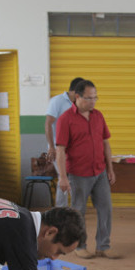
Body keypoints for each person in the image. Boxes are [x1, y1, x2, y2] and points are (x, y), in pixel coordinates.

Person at [55, 79, 120, 259]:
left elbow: (105, 143)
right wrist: (63, 177)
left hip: (99, 172)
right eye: (89, 98)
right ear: (77, 97)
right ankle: (80, 245)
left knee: (106, 208)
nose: (93, 101)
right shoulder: (65, 119)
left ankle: (103, 246)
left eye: (95, 98)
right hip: (78, 173)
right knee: (78, 212)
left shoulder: (98, 116)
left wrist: (110, 168)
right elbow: (60, 150)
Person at [45, 77, 83, 207]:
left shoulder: (78, 103)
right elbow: (48, 124)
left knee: (71, 179)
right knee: (64, 177)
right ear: (74, 91)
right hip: (58, 148)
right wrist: (51, 147)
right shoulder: (57, 101)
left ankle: (70, 210)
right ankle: (62, 210)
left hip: (74, 149)